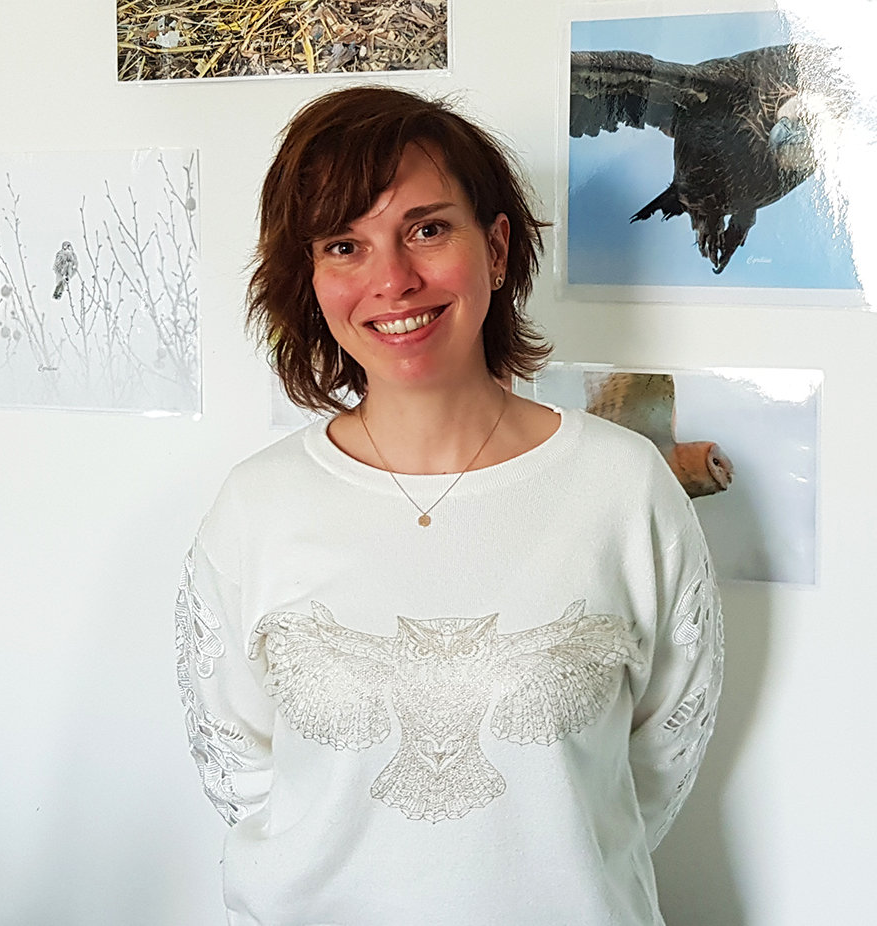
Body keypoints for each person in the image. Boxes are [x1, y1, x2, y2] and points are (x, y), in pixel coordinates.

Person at [175, 86, 723, 926]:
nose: (392, 280)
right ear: (311, 279)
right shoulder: (257, 508)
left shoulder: (624, 486)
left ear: (496, 248)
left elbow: (655, 761)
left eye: (427, 229)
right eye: (344, 244)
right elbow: (244, 773)